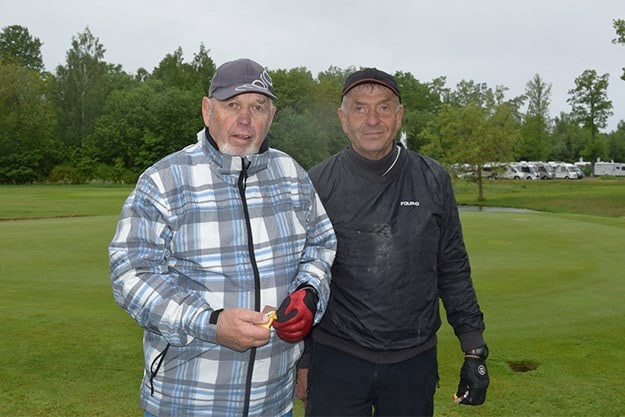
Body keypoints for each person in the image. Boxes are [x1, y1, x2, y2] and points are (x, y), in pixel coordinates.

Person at [108, 58, 337, 417]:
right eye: (232, 105)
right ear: (207, 110)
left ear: (271, 116)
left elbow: (321, 246)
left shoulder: (292, 175)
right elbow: (131, 275)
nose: (244, 120)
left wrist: (308, 293)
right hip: (186, 401)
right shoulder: (164, 180)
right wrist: (210, 323)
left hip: (273, 402)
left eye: (257, 107)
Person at [299, 68, 489, 416]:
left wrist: (473, 347)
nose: (372, 119)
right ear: (343, 119)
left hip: (411, 361)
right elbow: (306, 275)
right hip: (337, 357)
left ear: (399, 116)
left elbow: (453, 266)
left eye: (384, 108)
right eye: (359, 108)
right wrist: (304, 358)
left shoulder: (433, 179)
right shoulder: (317, 182)